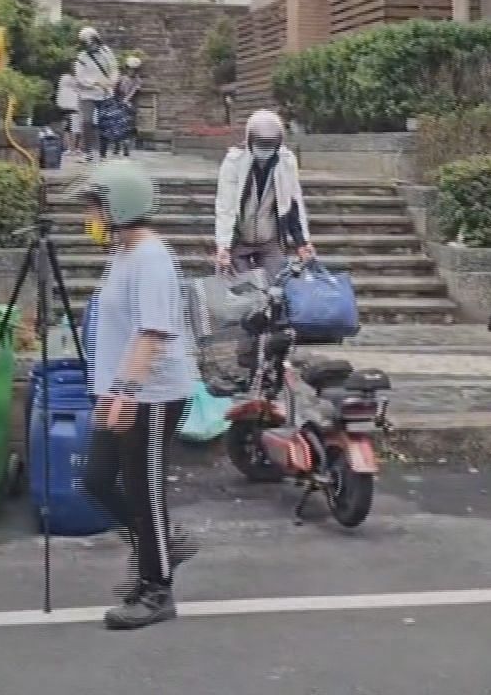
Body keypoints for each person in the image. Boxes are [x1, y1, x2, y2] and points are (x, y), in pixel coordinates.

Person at [73, 159, 199, 630]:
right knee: (98, 481)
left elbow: (152, 332)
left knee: (144, 492)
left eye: (95, 206)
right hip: (122, 391)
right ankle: (165, 543)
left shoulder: (150, 258)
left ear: (119, 206)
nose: (90, 216)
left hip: (151, 395)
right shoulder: (124, 253)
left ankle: (157, 590)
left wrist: (126, 391)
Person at [213, 110, 313, 279]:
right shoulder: (233, 161)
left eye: (269, 146)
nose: (264, 151)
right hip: (239, 240)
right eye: (260, 145)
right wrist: (223, 245)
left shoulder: (286, 161)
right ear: (250, 140)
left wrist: (302, 242)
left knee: (276, 290)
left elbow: (293, 202)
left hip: (270, 239)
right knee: (242, 296)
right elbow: (226, 205)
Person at [71, 27, 120, 162]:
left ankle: (103, 153)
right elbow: (80, 77)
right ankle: (88, 152)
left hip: (105, 93)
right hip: (87, 94)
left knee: (105, 122)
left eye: (91, 41)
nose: (89, 45)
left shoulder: (107, 52)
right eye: (86, 42)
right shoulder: (81, 57)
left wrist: (113, 81)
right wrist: (96, 83)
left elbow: (114, 68)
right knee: (87, 122)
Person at [111, 55, 144, 158]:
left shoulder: (138, 81)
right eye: (130, 69)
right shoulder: (121, 79)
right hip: (119, 104)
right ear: (126, 68)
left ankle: (126, 147)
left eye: (134, 69)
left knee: (128, 126)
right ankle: (117, 145)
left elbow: (134, 92)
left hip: (131, 106)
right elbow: (115, 91)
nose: (131, 71)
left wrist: (127, 100)